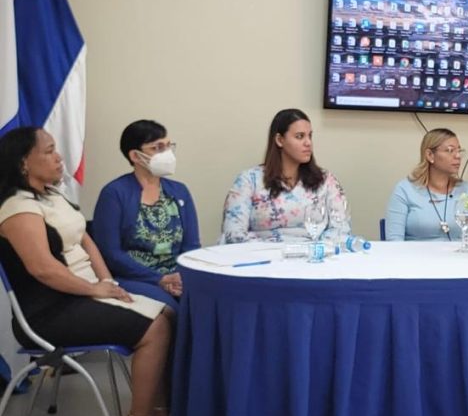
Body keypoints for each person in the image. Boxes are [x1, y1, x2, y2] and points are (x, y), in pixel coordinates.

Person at [0, 127, 172, 416]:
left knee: (169, 313)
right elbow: (43, 269)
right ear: (24, 162)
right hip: (47, 312)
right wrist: (95, 289)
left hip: (81, 294)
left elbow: (85, 239)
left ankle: (160, 412)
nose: (59, 156)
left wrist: (107, 282)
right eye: (50, 150)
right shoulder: (17, 207)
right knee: (156, 329)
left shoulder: (52, 195)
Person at [92, 120, 201, 312]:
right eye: (157, 148)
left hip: (178, 277)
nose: (166, 153)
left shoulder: (180, 191)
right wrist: (159, 279)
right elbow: (111, 253)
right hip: (134, 278)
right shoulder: (114, 194)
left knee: (210, 302)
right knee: (170, 309)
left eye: (168, 146)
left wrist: (182, 277)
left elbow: (191, 246)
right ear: (135, 155)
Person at [221, 109, 350, 244]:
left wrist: (311, 251)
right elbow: (233, 233)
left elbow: (341, 229)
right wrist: (279, 251)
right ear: (279, 140)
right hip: (262, 258)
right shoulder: (249, 180)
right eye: (300, 136)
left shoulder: (326, 180)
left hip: (313, 258)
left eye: (309, 136)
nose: (308, 143)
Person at [385, 128, 468, 241]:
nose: (458, 156)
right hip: (414, 257)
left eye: (459, 151)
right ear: (430, 155)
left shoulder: (466, 190)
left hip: (456, 258)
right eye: (450, 150)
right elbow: (394, 242)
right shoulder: (404, 190)